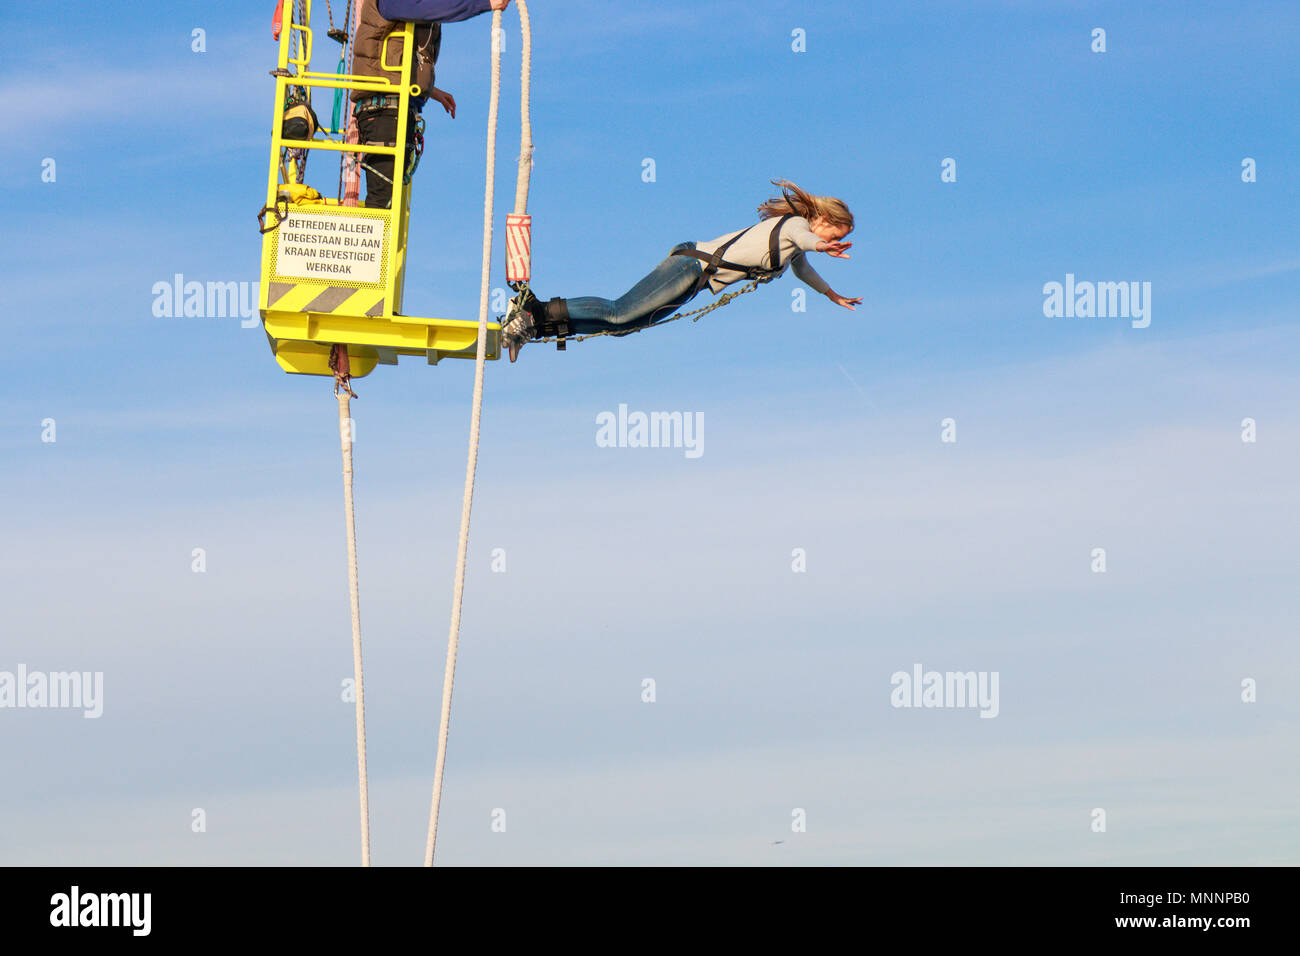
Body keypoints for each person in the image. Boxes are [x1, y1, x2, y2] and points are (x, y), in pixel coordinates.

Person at [502, 180, 862, 361]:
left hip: (694, 280)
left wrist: (832, 294)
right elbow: (808, 239)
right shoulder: (796, 225)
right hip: (691, 266)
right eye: (835, 233)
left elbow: (805, 272)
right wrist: (822, 245)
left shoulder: (792, 248)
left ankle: (538, 328)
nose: (833, 239)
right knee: (619, 312)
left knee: (623, 327)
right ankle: (535, 311)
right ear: (825, 220)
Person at [351, 0, 511, 208]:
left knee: (391, 199)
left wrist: (431, 91)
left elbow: (396, 52)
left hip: (394, 108)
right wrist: (484, 3)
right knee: (384, 199)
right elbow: (426, 8)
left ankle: (379, 236)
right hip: (383, 110)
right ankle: (375, 239)